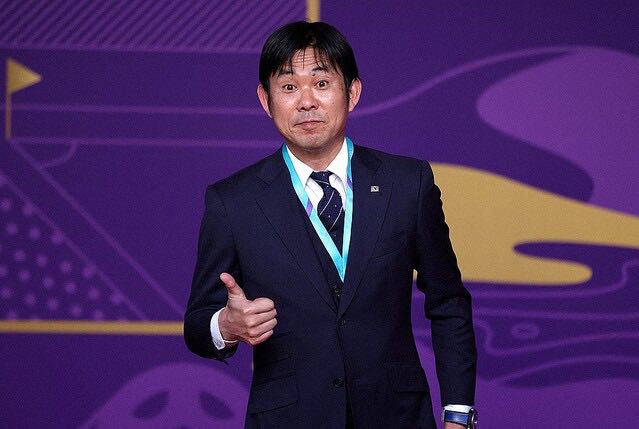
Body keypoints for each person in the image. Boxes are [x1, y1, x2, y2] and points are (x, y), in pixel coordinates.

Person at [184, 21, 477, 429]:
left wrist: (458, 414)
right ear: (265, 100)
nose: (307, 102)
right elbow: (197, 324)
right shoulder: (233, 201)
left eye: (321, 83)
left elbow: (448, 302)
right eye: (289, 87)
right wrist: (226, 326)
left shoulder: (407, 184)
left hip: (397, 417)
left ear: (352, 92)